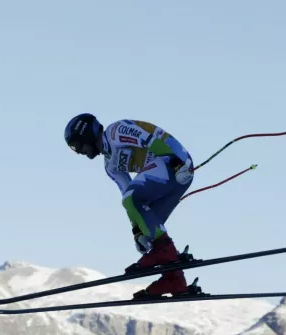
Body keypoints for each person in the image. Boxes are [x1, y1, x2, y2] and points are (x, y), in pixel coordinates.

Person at [64, 113, 196, 298]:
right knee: (149, 229)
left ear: (87, 135)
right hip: (173, 173)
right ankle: (174, 279)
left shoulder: (115, 132)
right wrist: (137, 232)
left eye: (77, 145)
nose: (79, 152)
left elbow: (147, 139)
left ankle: (164, 254)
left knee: (135, 203)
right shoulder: (110, 166)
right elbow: (128, 197)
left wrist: (175, 163)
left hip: (172, 161)